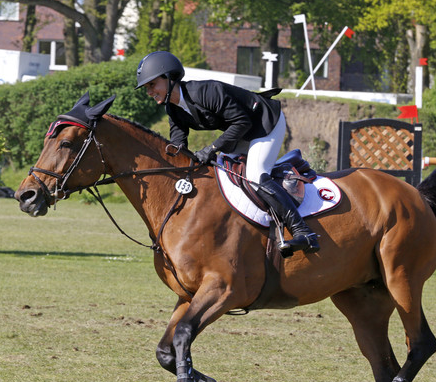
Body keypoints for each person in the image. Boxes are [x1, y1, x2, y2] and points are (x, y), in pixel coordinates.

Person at [135, 50, 319, 255]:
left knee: (256, 175)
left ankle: (303, 231)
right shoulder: (173, 108)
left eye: (152, 85)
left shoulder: (206, 91)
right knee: (223, 175)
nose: (149, 92)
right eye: (146, 88)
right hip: (242, 132)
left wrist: (212, 149)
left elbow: (243, 121)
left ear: (169, 78)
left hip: (265, 124)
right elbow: (178, 146)